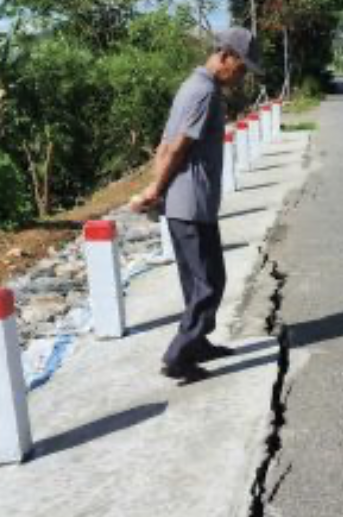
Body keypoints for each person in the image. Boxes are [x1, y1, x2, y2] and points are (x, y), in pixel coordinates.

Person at [129, 28, 262, 383]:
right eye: (242, 68)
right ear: (226, 57)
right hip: (191, 203)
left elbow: (164, 144)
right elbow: (175, 149)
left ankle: (198, 342)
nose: (242, 76)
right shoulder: (204, 93)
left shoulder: (193, 87)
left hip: (187, 204)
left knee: (195, 281)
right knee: (210, 283)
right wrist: (155, 190)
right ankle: (179, 354)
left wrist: (155, 191)